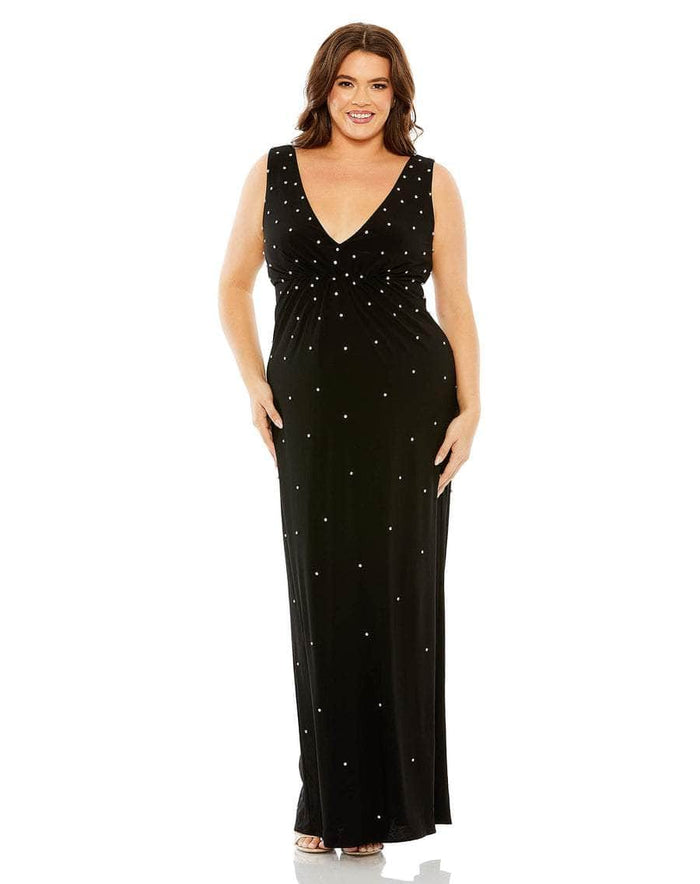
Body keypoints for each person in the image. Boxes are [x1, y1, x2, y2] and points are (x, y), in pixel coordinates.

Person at [218, 22, 480, 856]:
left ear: (398, 94)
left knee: (398, 597)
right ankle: (328, 799)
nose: (362, 100)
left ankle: (378, 810)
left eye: (378, 84)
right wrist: (254, 381)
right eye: (347, 83)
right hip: (307, 409)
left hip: (411, 410)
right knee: (321, 593)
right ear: (323, 88)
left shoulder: (431, 181)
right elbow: (232, 285)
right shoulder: (274, 171)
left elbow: (456, 302)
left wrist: (471, 409)